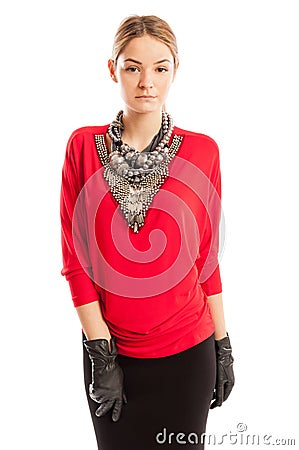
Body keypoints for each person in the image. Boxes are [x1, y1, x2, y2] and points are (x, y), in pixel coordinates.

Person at [60, 14, 235, 450]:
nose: (146, 82)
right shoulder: (83, 146)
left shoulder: (203, 151)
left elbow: (206, 261)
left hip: (189, 355)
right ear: (112, 69)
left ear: (176, 70)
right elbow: (76, 263)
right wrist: (102, 356)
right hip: (113, 357)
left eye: (160, 68)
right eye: (132, 67)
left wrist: (223, 344)